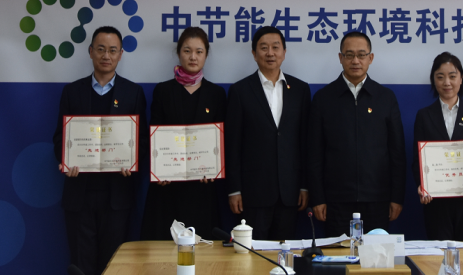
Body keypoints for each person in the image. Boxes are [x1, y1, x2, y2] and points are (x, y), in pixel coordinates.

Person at [52, 26, 148, 275]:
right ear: (90, 51)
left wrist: (132, 162)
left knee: (113, 265)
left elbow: (141, 141)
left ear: (121, 54)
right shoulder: (72, 91)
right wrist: (65, 160)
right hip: (79, 194)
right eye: (101, 49)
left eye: (113, 50)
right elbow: (60, 137)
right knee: (80, 264)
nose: (106, 55)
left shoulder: (133, 92)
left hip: (117, 195)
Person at [308, 31, 406, 237]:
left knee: (376, 255)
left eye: (361, 55)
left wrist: (396, 197)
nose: (355, 61)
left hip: (377, 199)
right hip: (336, 201)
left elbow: (397, 153)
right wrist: (318, 198)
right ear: (340, 57)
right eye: (349, 55)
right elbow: (314, 153)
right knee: (338, 255)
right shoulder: (323, 98)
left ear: (371, 58)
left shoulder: (385, 98)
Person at [140, 26, 226, 240]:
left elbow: (222, 140)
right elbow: (154, 134)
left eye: (199, 51)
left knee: (203, 249)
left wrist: (214, 168)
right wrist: (159, 170)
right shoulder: (163, 91)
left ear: (206, 55)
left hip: (202, 188)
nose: (193, 57)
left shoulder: (216, 94)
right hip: (167, 188)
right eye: (187, 51)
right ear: (179, 53)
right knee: (163, 251)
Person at [225, 26, 311, 240]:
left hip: (290, 192)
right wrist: (234, 190)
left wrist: (304, 186)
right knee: (253, 253)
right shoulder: (240, 91)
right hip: (253, 192)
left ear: (284, 52)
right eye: (264, 48)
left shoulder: (300, 90)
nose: (270, 53)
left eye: (275, 47)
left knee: (284, 251)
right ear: (254, 54)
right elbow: (232, 144)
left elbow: (305, 142)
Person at [412, 52, 463, 240]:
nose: (447, 83)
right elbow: (417, 159)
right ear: (433, 80)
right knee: (439, 253)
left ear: (461, 78)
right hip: (436, 202)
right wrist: (422, 185)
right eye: (440, 77)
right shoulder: (424, 115)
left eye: (452, 76)